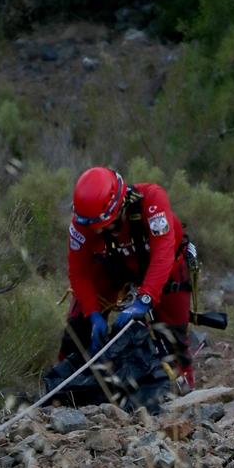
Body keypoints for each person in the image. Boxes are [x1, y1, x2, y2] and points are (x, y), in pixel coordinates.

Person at [61, 166, 194, 389]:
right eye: (89, 226)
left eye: (99, 226)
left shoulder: (152, 200)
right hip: (113, 266)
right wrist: (93, 314)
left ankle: (186, 395)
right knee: (77, 327)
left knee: (174, 338)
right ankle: (67, 384)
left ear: (118, 208)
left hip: (165, 267)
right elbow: (79, 273)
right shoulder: (83, 222)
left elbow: (163, 253)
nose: (93, 232)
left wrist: (144, 299)